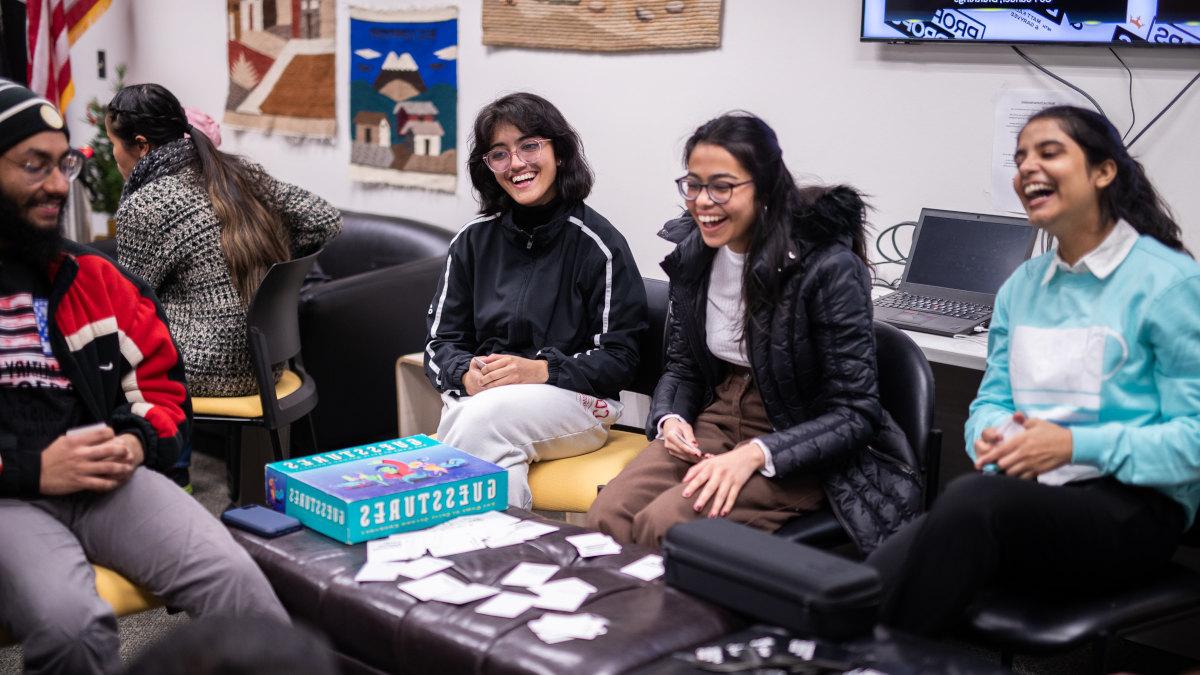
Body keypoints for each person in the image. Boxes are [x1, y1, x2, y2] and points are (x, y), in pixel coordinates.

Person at [868, 105, 1200, 636]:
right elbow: (992, 400)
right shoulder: (1022, 286)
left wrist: (1072, 446)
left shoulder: (1168, 284)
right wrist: (991, 441)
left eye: (1049, 153)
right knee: (868, 583)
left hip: (1136, 511)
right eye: (1020, 157)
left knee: (967, 504)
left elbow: (1194, 441)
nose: (1026, 169)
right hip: (1030, 499)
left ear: (1103, 171)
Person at [0, 79, 288, 675]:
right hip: (12, 498)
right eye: (35, 166)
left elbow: (160, 388)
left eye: (65, 165)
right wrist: (33, 468)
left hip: (109, 481)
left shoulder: (94, 278)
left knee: (240, 584)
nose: (58, 185)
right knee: (74, 629)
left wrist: (135, 439)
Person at [587, 112, 922, 550]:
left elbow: (855, 413)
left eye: (722, 186)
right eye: (693, 184)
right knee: (606, 517)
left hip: (802, 437)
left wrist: (754, 455)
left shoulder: (828, 268)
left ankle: (675, 620)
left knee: (666, 526)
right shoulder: (695, 256)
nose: (703, 201)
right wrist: (670, 418)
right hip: (719, 414)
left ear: (765, 188)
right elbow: (684, 367)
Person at [108, 83, 341, 489]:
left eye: (113, 144)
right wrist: (281, 261)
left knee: (98, 359)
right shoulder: (237, 171)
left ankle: (163, 481)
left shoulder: (150, 203)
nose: (112, 156)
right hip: (269, 363)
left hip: (204, 369)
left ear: (141, 145)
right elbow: (325, 217)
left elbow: (128, 305)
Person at [424, 92, 647, 509]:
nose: (517, 164)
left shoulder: (599, 245)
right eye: (499, 153)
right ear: (488, 168)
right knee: (485, 430)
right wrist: (466, 375)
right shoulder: (472, 241)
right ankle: (499, 557)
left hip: (578, 403)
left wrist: (542, 370)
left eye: (530, 146)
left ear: (559, 152)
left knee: (474, 421)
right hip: (482, 401)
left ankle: (456, 556)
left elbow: (621, 358)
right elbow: (439, 346)